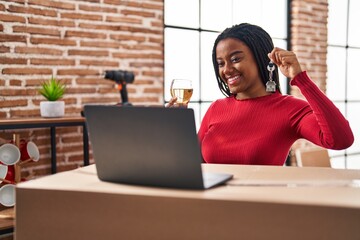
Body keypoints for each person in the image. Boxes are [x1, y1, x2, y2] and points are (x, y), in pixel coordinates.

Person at [167, 23, 354, 165]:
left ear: (261, 58)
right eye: (221, 63)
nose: (227, 70)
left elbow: (340, 140)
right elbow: (193, 163)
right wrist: (178, 127)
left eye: (235, 59)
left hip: (262, 212)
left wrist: (301, 79)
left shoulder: (291, 109)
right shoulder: (217, 108)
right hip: (210, 210)